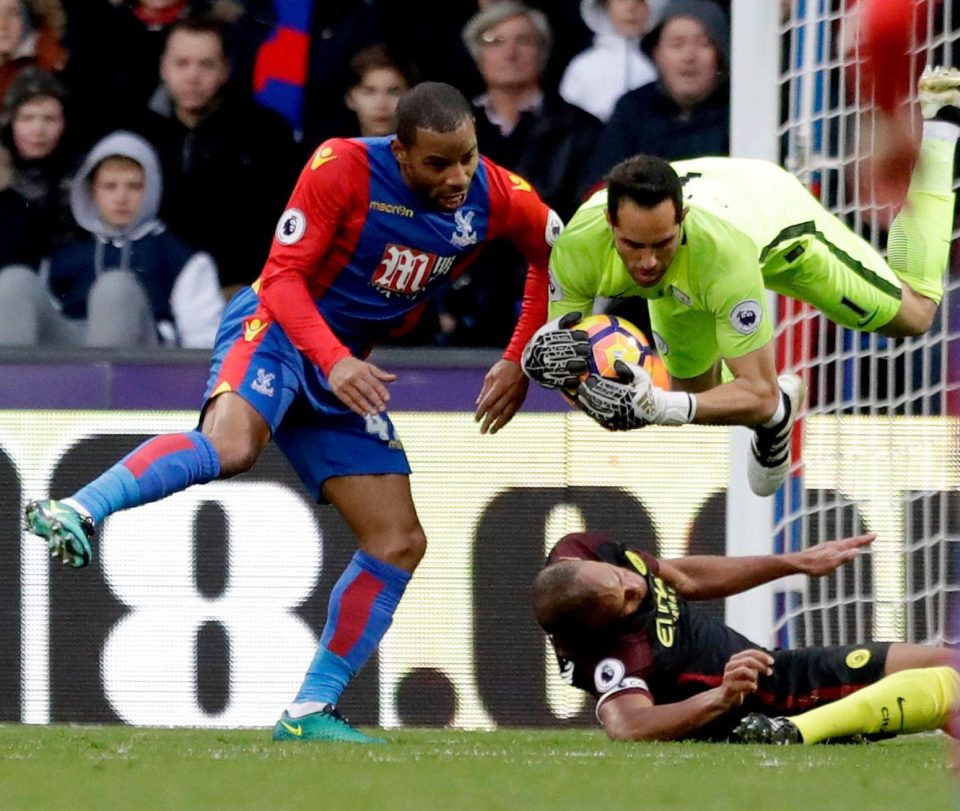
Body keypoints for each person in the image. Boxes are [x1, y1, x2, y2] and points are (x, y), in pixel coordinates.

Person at [23, 81, 562, 743]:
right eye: (438, 164)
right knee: (232, 445)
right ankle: (76, 509)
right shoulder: (343, 168)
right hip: (277, 330)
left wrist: (517, 356)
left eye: (468, 158)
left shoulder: (500, 195)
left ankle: (309, 711)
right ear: (400, 151)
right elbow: (281, 278)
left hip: (343, 365)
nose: (457, 178)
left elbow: (551, 259)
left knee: (398, 540)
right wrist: (333, 359)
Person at [521, 70, 959, 498]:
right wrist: (577, 388)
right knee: (701, 397)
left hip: (781, 225)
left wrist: (659, 407)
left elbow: (756, 393)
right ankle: (778, 417)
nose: (649, 261)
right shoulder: (577, 245)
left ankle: (943, 125)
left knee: (914, 315)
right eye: (634, 245)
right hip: (698, 250)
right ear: (609, 223)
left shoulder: (723, 255)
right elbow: (570, 359)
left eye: (663, 243)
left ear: (683, 220)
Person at [533, 530, 960, 743]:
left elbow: (684, 576)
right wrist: (720, 698)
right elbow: (627, 724)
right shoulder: (611, 656)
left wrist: (792, 562)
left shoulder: (581, 549)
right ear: (599, 628)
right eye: (624, 602)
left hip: (774, 662)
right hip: (773, 698)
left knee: (947, 671)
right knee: (949, 676)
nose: (636, 588)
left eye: (620, 577)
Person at [434, 1, 599, 348]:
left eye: (523, 40)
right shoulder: (445, 131)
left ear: (543, 53)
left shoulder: (581, 130)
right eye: (495, 41)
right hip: (461, 308)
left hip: (549, 301)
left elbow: (588, 222)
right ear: (478, 56)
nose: (510, 52)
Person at [0, 130, 223, 347]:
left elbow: (204, 341)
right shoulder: (65, 254)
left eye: (134, 187)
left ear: (152, 189)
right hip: (70, 358)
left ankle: (103, 383)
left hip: (147, 365)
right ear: (92, 191)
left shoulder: (178, 257)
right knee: (14, 280)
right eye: (110, 187)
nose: (121, 198)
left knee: (115, 289)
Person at [134, 15, 296, 292]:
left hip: (240, 287)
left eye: (206, 64)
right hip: (154, 285)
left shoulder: (265, 132)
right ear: (163, 67)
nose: (193, 76)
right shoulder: (135, 134)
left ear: (225, 69)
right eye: (182, 63)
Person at [587, 0, 730, 186]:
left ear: (721, 54)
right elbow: (600, 189)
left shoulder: (740, 111)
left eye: (703, 44)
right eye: (677, 45)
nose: (689, 57)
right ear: (656, 53)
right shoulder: (632, 109)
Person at [0, 67, 73, 271]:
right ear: (11, 122)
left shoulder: (78, 178)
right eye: (27, 118)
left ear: (63, 124)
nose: (38, 130)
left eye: (49, 119)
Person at [559, 0, 665, 123]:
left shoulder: (664, 62)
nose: (630, 7)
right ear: (605, 6)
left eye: (639, 0)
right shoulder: (583, 67)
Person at [343, 44, 414, 138]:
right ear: (350, 98)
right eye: (369, 92)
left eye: (393, 92)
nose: (381, 104)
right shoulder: (331, 151)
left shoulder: (432, 151)